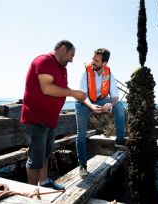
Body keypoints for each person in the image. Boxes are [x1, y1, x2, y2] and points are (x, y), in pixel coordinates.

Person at [20, 40, 86, 190]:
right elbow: (47, 88)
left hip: (50, 119)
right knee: (35, 159)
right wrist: (72, 93)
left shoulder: (62, 68)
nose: (72, 59)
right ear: (63, 49)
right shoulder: (44, 61)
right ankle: (31, 193)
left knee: (45, 154)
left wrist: (76, 94)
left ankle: (44, 182)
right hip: (37, 118)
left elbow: (63, 88)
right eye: (71, 55)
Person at [75, 48, 126, 178]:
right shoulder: (85, 73)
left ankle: (120, 141)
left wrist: (111, 104)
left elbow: (115, 97)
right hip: (84, 101)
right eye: (92, 59)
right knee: (81, 134)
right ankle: (82, 165)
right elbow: (82, 95)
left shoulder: (109, 73)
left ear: (104, 63)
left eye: (96, 60)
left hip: (101, 99)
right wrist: (91, 106)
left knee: (120, 107)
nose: (93, 62)